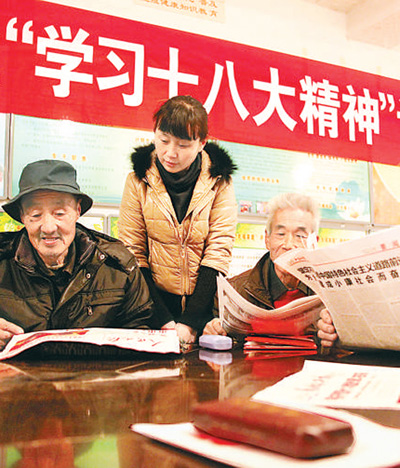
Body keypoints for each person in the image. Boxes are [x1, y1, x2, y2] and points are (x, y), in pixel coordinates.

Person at [0, 159, 155, 350]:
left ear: (77, 211)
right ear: (22, 216)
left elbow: (141, 329)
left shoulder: (117, 266)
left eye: (59, 213)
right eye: (36, 215)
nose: (48, 227)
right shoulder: (3, 261)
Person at [118, 95, 237, 343]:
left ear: (201, 143)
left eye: (183, 145)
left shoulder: (219, 182)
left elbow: (218, 251)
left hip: (203, 309)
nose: (170, 153)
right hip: (152, 307)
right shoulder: (137, 180)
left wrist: (190, 322)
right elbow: (133, 253)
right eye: (163, 140)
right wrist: (163, 320)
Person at [203, 192, 319, 336]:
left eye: (300, 236)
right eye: (281, 234)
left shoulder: (330, 292)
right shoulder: (234, 291)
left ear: (314, 243)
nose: (288, 245)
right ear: (267, 239)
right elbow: (219, 338)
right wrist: (213, 331)